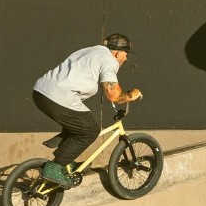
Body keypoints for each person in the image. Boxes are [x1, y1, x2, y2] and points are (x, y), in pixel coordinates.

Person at [32, 33, 143, 187]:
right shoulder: (110, 60)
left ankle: (66, 158)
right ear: (118, 53)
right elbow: (113, 95)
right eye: (126, 54)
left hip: (40, 92)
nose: (126, 59)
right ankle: (55, 167)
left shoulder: (90, 51)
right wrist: (131, 95)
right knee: (90, 130)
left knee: (79, 120)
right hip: (59, 97)